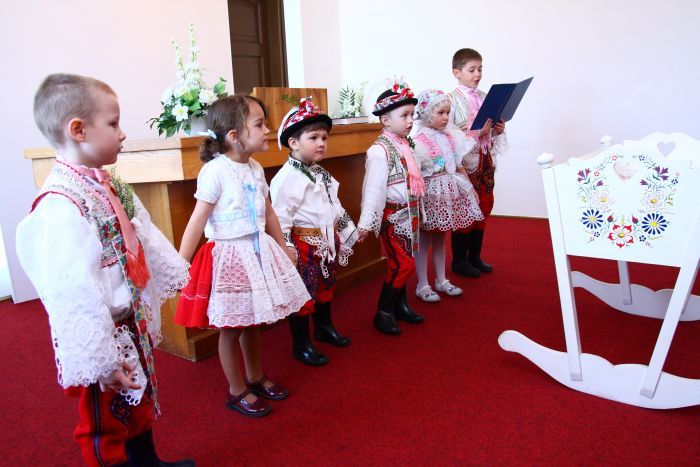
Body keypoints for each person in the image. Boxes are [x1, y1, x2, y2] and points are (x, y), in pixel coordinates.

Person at [16, 73, 194, 466]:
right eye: (113, 123)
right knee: (106, 422)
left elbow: (143, 233)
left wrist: (173, 276)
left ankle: (147, 461)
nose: (122, 133)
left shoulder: (104, 184)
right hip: (101, 334)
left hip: (128, 322)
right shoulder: (61, 206)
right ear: (78, 130)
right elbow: (72, 291)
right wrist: (102, 358)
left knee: (138, 399)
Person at [174, 95, 310, 418]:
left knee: (253, 322)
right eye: (260, 124)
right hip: (231, 256)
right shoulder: (215, 172)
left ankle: (255, 376)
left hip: (258, 251)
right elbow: (197, 220)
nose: (267, 130)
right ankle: (236, 390)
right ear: (234, 136)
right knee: (232, 327)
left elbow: (269, 212)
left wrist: (283, 246)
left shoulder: (256, 168)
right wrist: (179, 264)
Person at [270, 97, 358, 366]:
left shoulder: (321, 173)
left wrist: (349, 231)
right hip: (303, 245)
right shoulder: (286, 178)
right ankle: (302, 344)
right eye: (313, 138)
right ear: (294, 143)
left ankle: (323, 327)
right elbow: (280, 218)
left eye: (324, 138)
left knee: (325, 286)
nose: (321, 143)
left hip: (326, 242)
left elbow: (334, 206)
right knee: (303, 293)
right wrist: (287, 248)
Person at [357, 80, 425, 335]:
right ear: (385, 120)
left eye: (411, 115)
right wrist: (366, 223)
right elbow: (373, 190)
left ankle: (400, 305)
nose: (410, 121)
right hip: (394, 217)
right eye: (404, 115)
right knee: (402, 264)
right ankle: (383, 312)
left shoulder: (406, 145)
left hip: (410, 214)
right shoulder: (379, 151)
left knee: (405, 261)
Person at [411, 89, 483, 302]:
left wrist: (469, 188)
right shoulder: (418, 141)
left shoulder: (451, 138)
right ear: (427, 114)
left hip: (447, 194)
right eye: (440, 113)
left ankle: (441, 280)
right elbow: (416, 174)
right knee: (424, 241)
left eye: (447, 112)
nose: (445, 117)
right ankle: (422, 284)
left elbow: (458, 165)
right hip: (430, 196)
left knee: (441, 239)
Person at [449, 48, 508, 277]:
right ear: (457, 72)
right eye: (472, 70)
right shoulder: (450, 101)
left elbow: (491, 132)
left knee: (484, 206)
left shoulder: (485, 97)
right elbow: (449, 136)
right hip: (464, 164)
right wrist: (476, 134)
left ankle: (475, 256)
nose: (477, 74)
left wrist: (498, 130)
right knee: (465, 209)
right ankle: (459, 261)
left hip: (485, 159)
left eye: (480, 69)